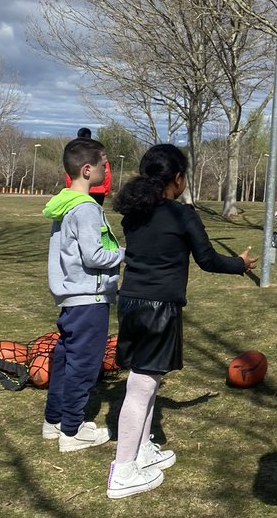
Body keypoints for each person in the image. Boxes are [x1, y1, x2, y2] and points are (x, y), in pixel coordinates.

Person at [109, 144, 257, 498]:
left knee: (148, 379)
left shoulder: (133, 212)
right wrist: (240, 264)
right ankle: (123, 471)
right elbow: (207, 259)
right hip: (159, 307)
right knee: (142, 384)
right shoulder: (182, 215)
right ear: (177, 178)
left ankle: (142, 449)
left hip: (130, 301)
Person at [42, 136, 125, 453]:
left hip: (70, 298)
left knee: (64, 358)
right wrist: (124, 254)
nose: (107, 169)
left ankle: (54, 421)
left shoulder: (64, 202)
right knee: (84, 365)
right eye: (104, 164)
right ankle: (72, 431)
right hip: (89, 300)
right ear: (87, 170)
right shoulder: (87, 208)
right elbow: (93, 256)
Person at [65, 126, 112, 205]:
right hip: (99, 191)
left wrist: (71, 188)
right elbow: (107, 174)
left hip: (79, 190)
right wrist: (106, 190)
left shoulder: (75, 155)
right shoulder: (99, 154)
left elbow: (70, 174)